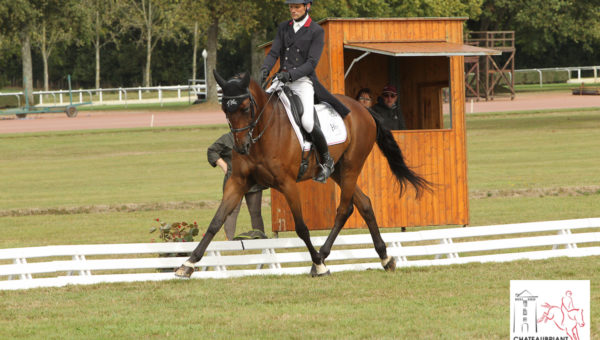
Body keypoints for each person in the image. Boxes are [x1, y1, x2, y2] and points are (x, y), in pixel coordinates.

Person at [260, 0, 350, 183]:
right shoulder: (284, 27)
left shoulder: (316, 31)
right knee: (262, 109)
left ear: (307, 6)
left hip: (302, 82)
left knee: (308, 122)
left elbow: (311, 64)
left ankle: (326, 161)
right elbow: (273, 53)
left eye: (296, 7)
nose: (292, 10)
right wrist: (265, 69)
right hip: (280, 80)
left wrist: (291, 75)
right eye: (291, 7)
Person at [207, 132, 267, 240]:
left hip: (254, 183)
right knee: (231, 212)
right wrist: (223, 165)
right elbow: (212, 150)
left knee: (256, 213)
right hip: (234, 183)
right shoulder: (227, 138)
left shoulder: (256, 138)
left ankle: (261, 240)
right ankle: (229, 241)